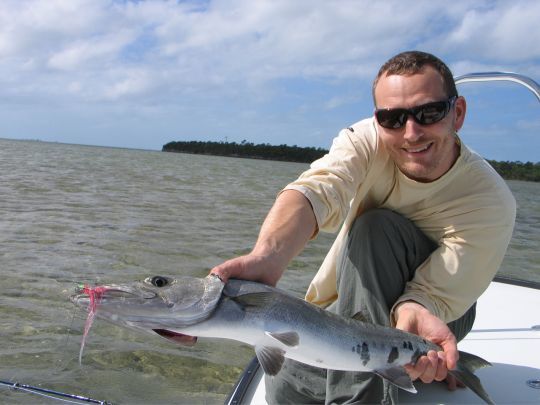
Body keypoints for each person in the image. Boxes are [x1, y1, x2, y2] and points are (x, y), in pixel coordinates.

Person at [210, 50, 516, 404]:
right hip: (356, 300)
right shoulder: (365, 140)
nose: (411, 133)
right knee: (286, 386)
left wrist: (414, 319)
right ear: (378, 119)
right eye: (393, 118)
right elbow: (317, 189)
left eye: (429, 113)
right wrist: (267, 257)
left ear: (457, 113)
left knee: (376, 229)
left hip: (438, 312)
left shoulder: (489, 198)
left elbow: (434, 294)